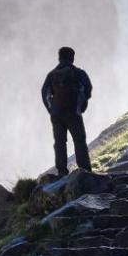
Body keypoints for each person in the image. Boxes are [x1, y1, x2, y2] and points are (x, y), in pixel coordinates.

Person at [42, 46, 94, 177]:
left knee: (59, 142)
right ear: (72, 58)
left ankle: (61, 171)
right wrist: (80, 106)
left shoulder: (51, 75)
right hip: (72, 112)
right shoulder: (77, 72)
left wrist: (51, 110)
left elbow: (44, 93)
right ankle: (84, 169)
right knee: (79, 139)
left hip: (56, 114)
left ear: (59, 57)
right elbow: (88, 88)